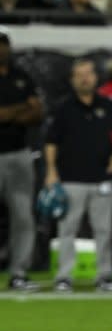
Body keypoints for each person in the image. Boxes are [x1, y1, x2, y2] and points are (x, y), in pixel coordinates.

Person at [45, 58, 112, 292]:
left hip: (102, 178)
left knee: (104, 230)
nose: (85, 78)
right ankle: (64, 276)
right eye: (79, 74)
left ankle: (105, 276)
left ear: (95, 77)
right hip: (71, 178)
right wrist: (51, 171)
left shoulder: (108, 105)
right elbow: (51, 141)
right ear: (73, 79)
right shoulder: (63, 108)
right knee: (67, 230)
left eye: (88, 73)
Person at [0, 27, 43, 291]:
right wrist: (19, 111)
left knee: (23, 216)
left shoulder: (21, 77)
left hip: (19, 154)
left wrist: (8, 114)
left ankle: (19, 273)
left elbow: (37, 114)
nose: (2, 49)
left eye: (4, 43)